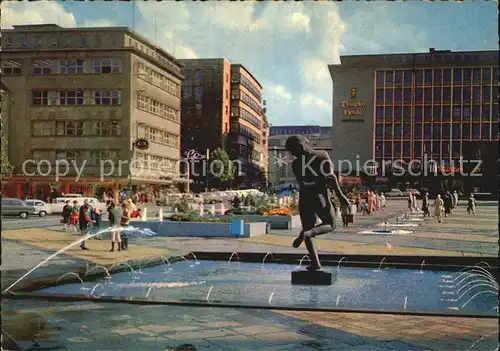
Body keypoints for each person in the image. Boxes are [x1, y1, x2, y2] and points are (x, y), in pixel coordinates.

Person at [285, 135, 350, 271]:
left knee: (308, 226)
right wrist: (341, 196)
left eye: (292, 152)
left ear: (301, 147)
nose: (292, 155)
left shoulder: (296, 165)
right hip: (319, 196)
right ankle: (307, 233)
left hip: (304, 198)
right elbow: (331, 178)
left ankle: (315, 262)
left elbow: (303, 184)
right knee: (330, 224)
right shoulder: (322, 155)